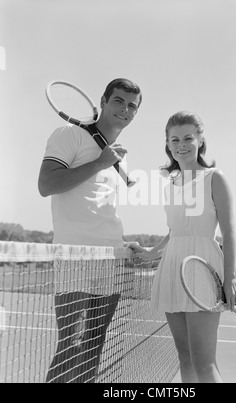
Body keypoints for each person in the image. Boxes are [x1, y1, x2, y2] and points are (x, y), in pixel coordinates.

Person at [38, 78, 142, 383]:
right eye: (119, 101)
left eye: (132, 105)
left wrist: (122, 242)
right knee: (72, 345)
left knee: (95, 346)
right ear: (104, 101)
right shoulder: (68, 135)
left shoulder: (115, 153)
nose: (125, 109)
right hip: (75, 256)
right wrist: (99, 163)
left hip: (111, 257)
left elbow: (98, 206)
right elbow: (47, 185)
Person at [131, 111, 236, 383]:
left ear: (200, 140)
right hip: (172, 268)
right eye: (174, 139)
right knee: (184, 356)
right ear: (167, 144)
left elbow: (229, 232)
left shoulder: (215, 178)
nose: (182, 144)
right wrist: (151, 253)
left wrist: (231, 279)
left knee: (204, 362)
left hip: (203, 268)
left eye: (188, 138)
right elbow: (174, 231)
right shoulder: (172, 183)